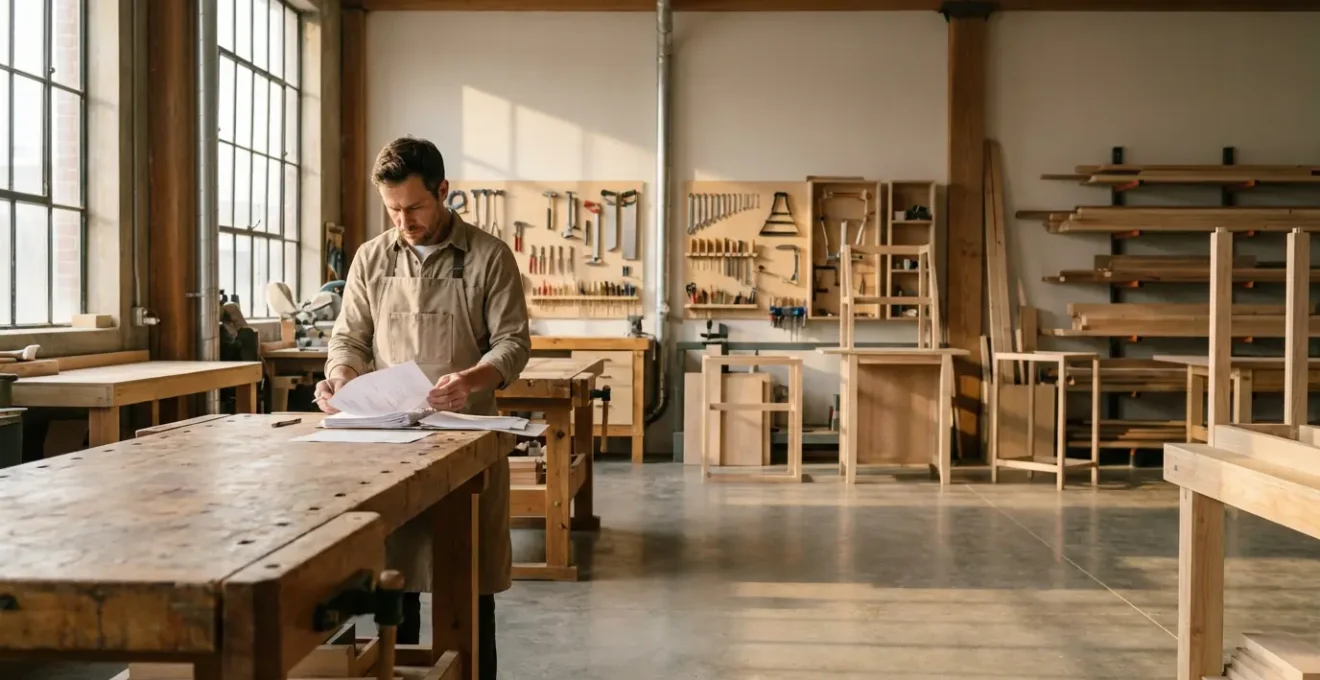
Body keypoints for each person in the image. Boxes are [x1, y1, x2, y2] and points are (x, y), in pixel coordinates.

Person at [316, 136, 529, 680]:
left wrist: (474, 378)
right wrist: (340, 378)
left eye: (415, 207)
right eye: (392, 210)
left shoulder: (488, 256)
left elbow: (512, 343)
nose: (404, 221)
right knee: (394, 585)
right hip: (390, 444)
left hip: (469, 439)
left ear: (443, 192)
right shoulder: (371, 257)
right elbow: (349, 341)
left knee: (471, 584)